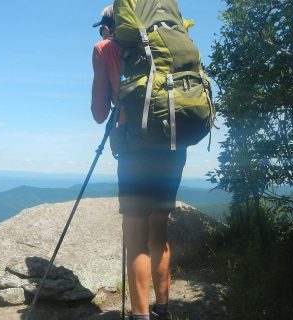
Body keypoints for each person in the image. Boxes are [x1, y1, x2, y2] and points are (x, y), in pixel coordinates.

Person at [91, 5, 187, 320]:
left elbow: (99, 113)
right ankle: (163, 310)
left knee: (135, 236)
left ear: (109, 25)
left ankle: (140, 316)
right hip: (174, 143)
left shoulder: (105, 48)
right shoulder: (165, 42)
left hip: (135, 149)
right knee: (158, 231)